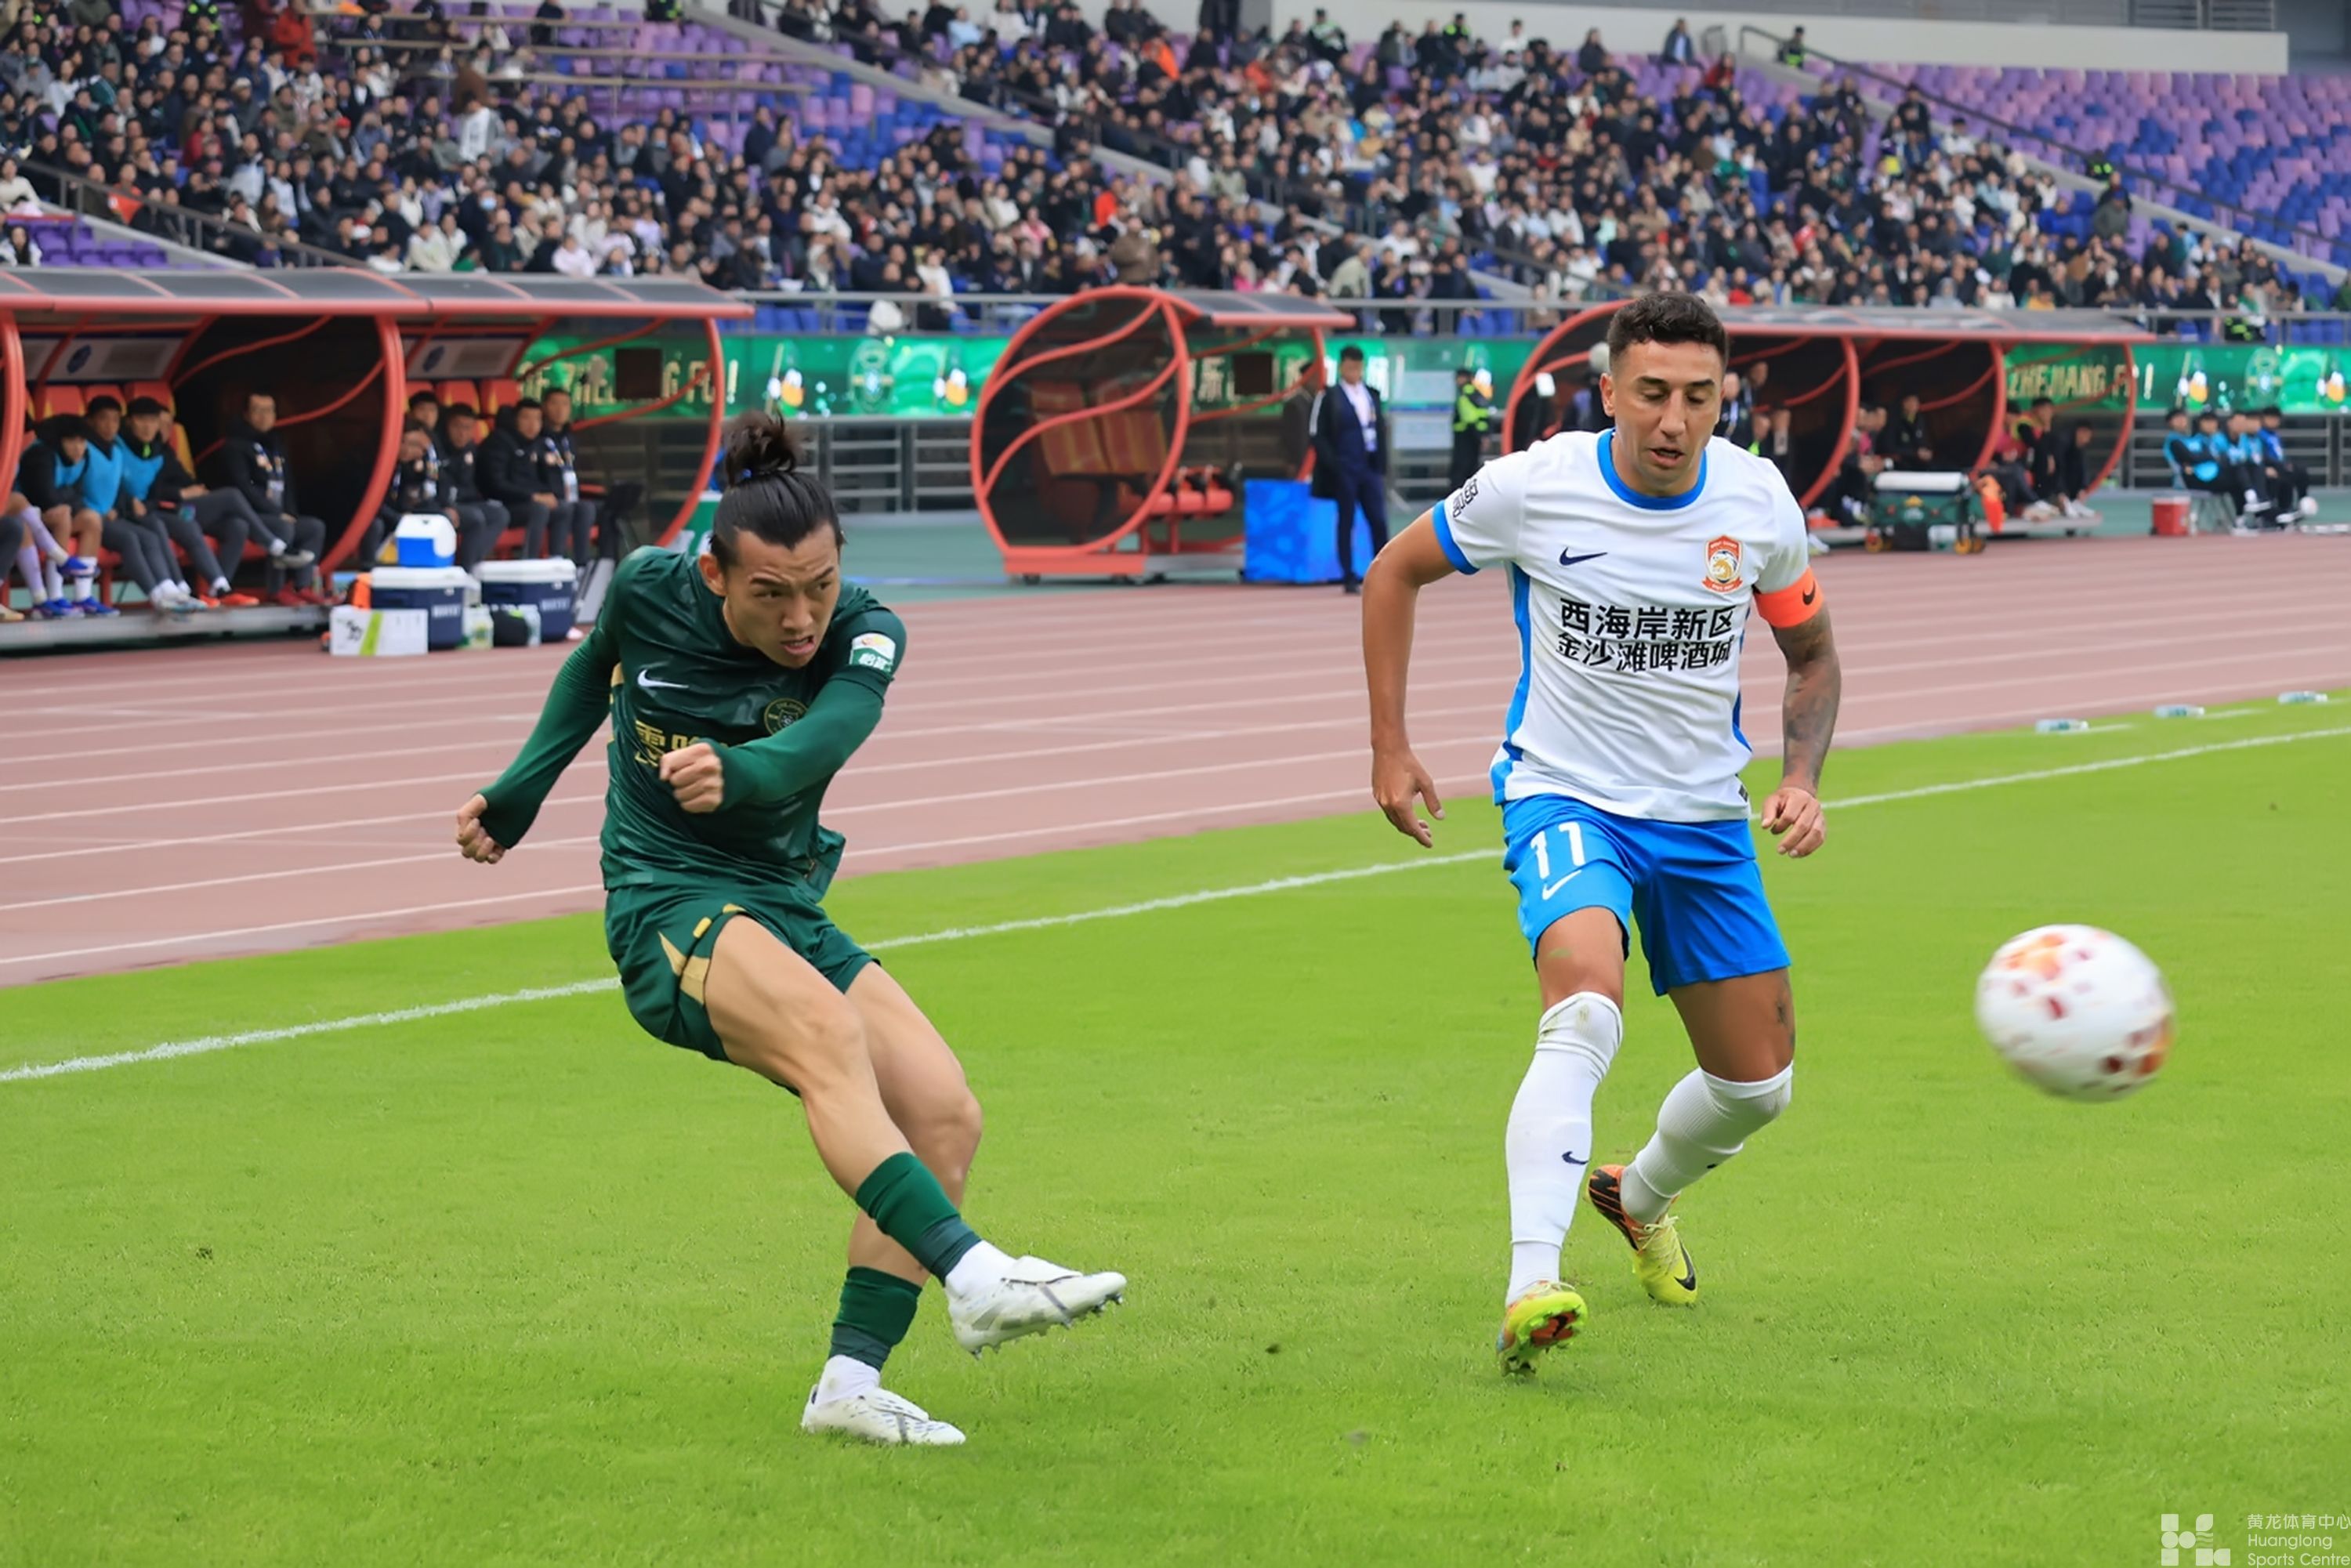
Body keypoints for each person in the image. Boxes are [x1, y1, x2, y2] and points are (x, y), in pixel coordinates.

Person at [453, 414, 1126, 1447]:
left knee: (944, 1112)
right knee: (826, 1037)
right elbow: (594, 666)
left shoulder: (867, 629)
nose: (802, 615)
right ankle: (975, 1274)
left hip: (781, 900)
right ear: (714, 574)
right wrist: (519, 795)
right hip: (666, 898)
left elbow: (832, 732)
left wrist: (744, 771)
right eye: (771, 593)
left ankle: (849, 1386)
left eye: (819, 583)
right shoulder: (649, 588)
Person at [1359, 293, 1842, 1374]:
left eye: (1699, 397)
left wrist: (1802, 779)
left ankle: (1640, 1193)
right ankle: (1533, 1281)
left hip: (1704, 819)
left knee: (1759, 1086)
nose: (1675, 419)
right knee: (1584, 1009)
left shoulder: (1758, 500)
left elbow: (1811, 655)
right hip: (1566, 796)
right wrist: (1390, 744)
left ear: (1725, 397)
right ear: (1610, 390)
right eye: (1653, 393)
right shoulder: (1535, 486)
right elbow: (1394, 570)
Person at [119, 397, 266, 607]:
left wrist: (196, 490)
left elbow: (184, 479)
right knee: (228, 498)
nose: (157, 428)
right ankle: (272, 543)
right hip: (159, 510)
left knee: (237, 525)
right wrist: (181, 494)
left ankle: (219, 590)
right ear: (130, 422)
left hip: (181, 510)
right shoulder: (126, 448)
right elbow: (155, 492)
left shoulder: (161, 450)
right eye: (145, 421)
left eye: (166, 424)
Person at [83, 395, 206, 614]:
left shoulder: (116, 451)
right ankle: (157, 596)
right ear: (91, 421)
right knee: (131, 538)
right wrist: (108, 508)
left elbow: (117, 488)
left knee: (152, 534)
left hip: (118, 513)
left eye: (114, 420)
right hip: (90, 516)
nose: (110, 426)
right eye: (104, 419)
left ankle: (171, 589)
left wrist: (123, 504)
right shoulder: (86, 450)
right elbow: (78, 487)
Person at [220, 393, 331, 606]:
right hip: (251, 516)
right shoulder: (234, 446)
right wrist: (277, 514)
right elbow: (243, 487)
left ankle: (301, 586)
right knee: (283, 528)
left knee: (314, 528)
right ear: (246, 415)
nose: (264, 416)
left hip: (279, 514)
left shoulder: (277, 444)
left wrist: (290, 512)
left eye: (269, 410)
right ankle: (276, 589)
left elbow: (288, 484)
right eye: (258, 410)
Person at [17, 417, 121, 617]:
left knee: (91, 518)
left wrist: (64, 499)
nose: (78, 447)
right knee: (63, 515)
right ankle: (54, 596)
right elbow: (43, 496)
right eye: (71, 441)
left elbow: (77, 495)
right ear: (59, 441)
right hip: (29, 516)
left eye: (82, 441)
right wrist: (64, 499)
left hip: (52, 514)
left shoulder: (84, 458)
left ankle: (83, 596)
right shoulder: (41, 455)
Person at [1308, 345, 1389, 595]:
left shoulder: (1372, 395)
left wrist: (1381, 463)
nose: (1354, 372)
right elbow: (1317, 435)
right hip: (1345, 467)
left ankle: (1385, 572)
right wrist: (1334, 464)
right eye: (1350, 367)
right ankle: (1348, 575)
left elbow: (1380, 430)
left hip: (1369, 466)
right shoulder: (1330, 396)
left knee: (1378, 520)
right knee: (1347, 521)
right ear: (1342, 367)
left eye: (1358, 367)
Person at [481, 399, 589, 561]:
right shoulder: (499, 442)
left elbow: (537, 481)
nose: (532, 424)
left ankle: (558, 560)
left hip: (527, 501)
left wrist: (548, 494)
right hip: (503, 504)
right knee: (539, 509)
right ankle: (529, 561)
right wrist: (534, 496)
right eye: (526, 418)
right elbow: (496, 485)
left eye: (537, 419)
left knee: (564, 508)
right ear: (515, 419)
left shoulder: (535, 444)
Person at [435, 402, 512, 561]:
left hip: (466, 503)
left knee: (500, 514)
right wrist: (445, 505)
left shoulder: (472, 449)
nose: (462, 433)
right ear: (447, 426)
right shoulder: (436, 448)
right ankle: (466, 567)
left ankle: (473, 562)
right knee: (475, 518)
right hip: (440, 505)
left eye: (468, 428)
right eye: (457, 426)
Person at [535, 388, 600, 565]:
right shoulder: (537, 438)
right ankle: (557, 560)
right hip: (546, 498)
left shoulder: (568, 439)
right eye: (554, 404)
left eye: (565, 404)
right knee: (565, 508)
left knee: (587, 508)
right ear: (544, 407)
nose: (560, 409)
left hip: (569, 496)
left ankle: (582, 564)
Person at [2257, 407, 2317, 521]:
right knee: (2283, 477)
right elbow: (2261, 456)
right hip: (2268, 467)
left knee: (2300, 472)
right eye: (2270, 418)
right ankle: (2279, 511)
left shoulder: (2275, 435)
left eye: (2276, 419)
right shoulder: (2260, 435)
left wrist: (2286, 464)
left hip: (2280, 465)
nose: (2273, 421)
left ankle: (2301, 503)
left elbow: (2280, 454)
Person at [1449, 365, 1493, 493]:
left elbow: (1469, 417)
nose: (1457, 381)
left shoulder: (1465, 394)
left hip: (1466, 436)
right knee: (1472, 468)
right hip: (1474, 436)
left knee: (1461, 470)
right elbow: (1483, 414)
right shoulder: (1475, 393)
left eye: (1459, 378)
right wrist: (1484, 435)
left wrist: (1479, 435)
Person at [1883, 393, 1934, 469]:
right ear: (1904, 403)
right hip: (1901, 465)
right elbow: (1889, 448)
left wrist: (1926, 453)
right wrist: (1914, 453)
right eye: (1911, 401)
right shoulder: (1895, 422)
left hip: (1921, 464)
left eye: (1916, 401)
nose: (1914, 405)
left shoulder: (1920, 421)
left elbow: (1925, 443)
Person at [1715, 369, 1752, 451]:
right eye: (1729, 385)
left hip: (1739, 449)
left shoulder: (1743, 408)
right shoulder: (1716, 406)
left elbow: (1749, 433)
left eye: (1735, 385)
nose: (1732, 388)